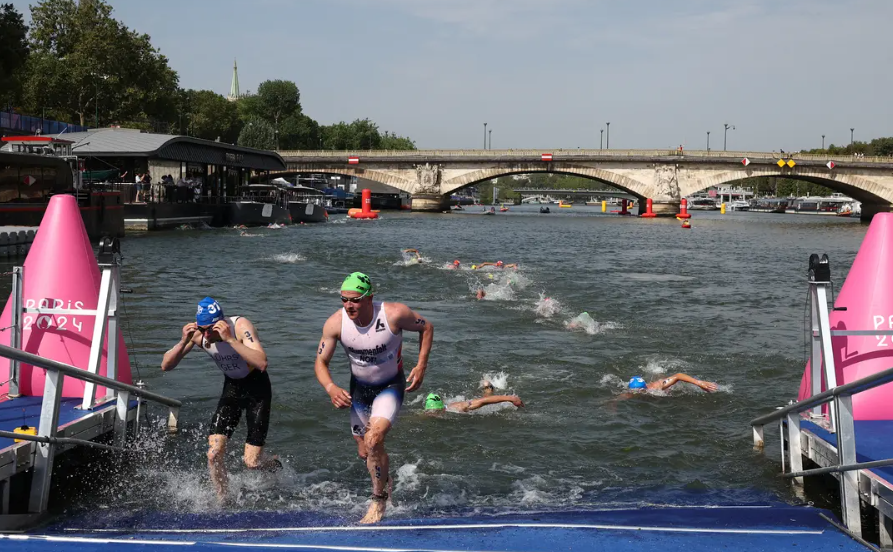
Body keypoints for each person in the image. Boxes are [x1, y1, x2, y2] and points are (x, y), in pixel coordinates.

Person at [314, 272, 433, 524]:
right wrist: (330, 388)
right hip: (359, 390)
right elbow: (321, 362)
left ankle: (378, 501)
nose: (348, 305)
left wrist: (421, 365)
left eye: (355, 300)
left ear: (370, 297)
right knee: (365, 450)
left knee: (374, 438)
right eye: (344, 299)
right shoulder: (335, 323)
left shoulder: (394, 314)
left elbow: (426, 327)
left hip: (390, 385)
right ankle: (385, 479)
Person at [160, 297, 279, 503]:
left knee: (251, 462)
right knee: (213, 454)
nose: (206, 335)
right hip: (232, 388)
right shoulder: (199, 335)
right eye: (201, 328)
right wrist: (182, 341)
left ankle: (275, 464)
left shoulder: (241, 326)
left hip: (257, 389)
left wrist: (230, 340)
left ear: (221, 323)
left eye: (210, 329)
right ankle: (223, 499)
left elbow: (262, 362)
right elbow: (166, 366)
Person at [424, 382, 524, 413]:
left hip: (471, 406)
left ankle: (488, 387)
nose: (432, 414)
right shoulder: (429, 412)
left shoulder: (459, 408)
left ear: (440, 408)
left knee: (485, 399)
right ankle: (486, 387)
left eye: (435, 411)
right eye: (430, 411)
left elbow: (484, 401)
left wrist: (510, 398)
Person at [627, 373, 718, 393]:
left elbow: (678, 375)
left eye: (640, 390)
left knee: (661, 378)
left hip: (663, 383)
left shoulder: (656, 387)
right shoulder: (630, 393)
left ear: (645, 387)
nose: (637, 393)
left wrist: (698, 383)